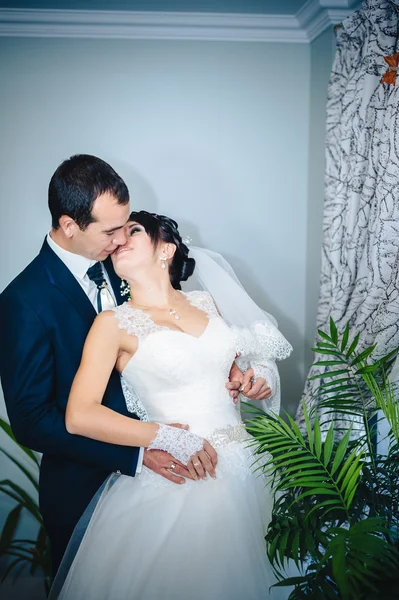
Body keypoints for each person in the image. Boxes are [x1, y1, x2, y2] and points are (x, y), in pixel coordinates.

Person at [0, 155, 271, 576]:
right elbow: (32, 420)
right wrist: (141, 451)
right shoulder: (23, 301)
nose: (120, 238)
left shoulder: (123, 256)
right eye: (110, 230)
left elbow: (184, 336)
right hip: (89, 484)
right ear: (70, 225)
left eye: (127, 226)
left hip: (213, 468)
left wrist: (230, 371)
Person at [48, 210, 293, 600]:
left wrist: (256, 375)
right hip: (180, 475)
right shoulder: (111, 324)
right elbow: (80, 415)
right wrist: (167, 438)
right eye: (116, 236)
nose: (119, 240)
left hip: (248, 466)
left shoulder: (207, 303)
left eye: (134, 230)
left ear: (166, 249)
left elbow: (241, 361)